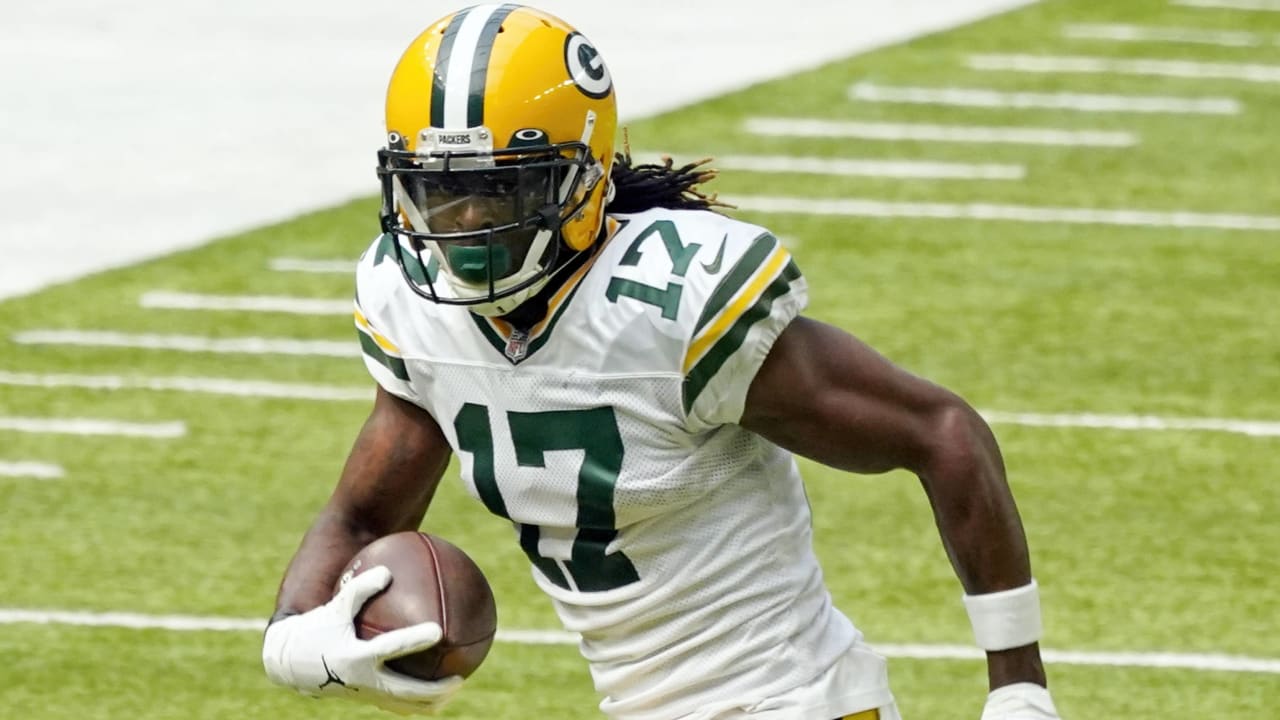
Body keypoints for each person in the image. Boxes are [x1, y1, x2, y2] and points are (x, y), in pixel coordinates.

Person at [261, 5, 1066, 719]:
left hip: (792, 698)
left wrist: (1017, 685)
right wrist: (295, 640)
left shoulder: (669, 306)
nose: (464, 224)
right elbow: (362, 517)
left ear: (582, 178)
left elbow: (943, 432)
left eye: (497, 193)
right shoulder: (418, 311)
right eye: (439, 192)